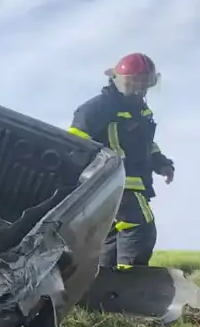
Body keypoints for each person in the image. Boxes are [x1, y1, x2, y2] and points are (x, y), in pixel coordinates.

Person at [70, 53, 175, 270]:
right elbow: (73, 143)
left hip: (126, 185)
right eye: (134, 83)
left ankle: (105, 282)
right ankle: (131, 280)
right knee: (140, 227)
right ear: (117, 80)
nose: (140, 90)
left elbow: (146, 144)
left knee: (111, 236)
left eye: (146, 84)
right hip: (113, 183)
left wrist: (162, 163)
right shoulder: (99, 107)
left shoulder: (139, 110)